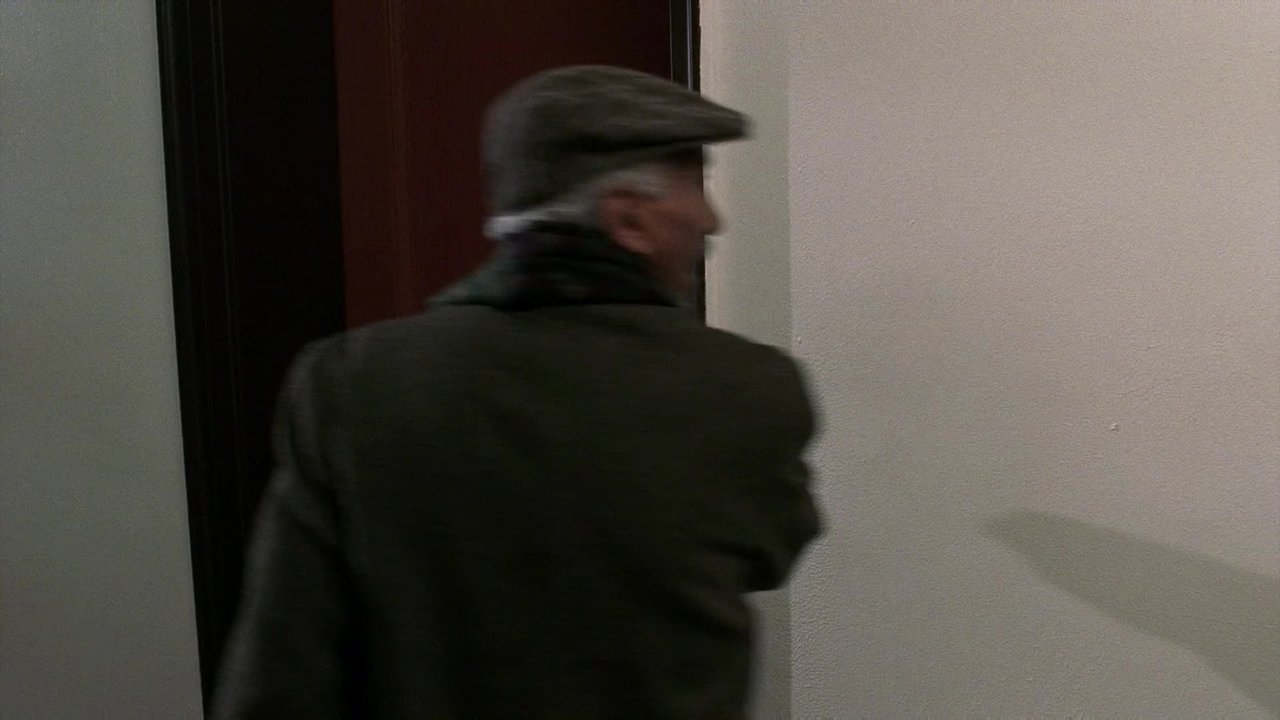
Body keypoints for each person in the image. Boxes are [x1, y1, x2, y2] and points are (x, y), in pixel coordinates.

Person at [213, 65, 820, 719]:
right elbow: (771, 552)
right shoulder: (747, 390)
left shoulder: (351, 384)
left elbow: (279, 674)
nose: (711, 220)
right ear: (628, 219)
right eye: (696, 185)